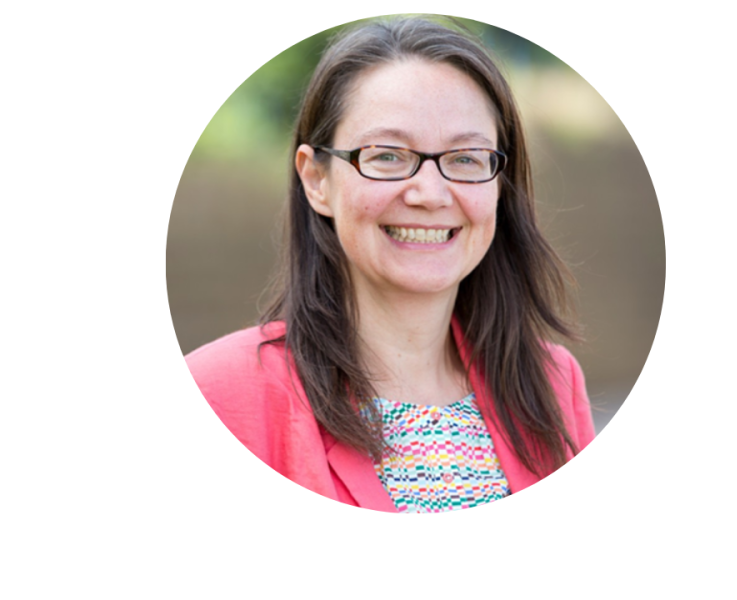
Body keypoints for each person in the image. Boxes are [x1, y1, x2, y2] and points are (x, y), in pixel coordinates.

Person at [186, 15, 595, 513]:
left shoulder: (551, 382)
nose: (429, 193)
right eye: (387, 156)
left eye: (466, 157)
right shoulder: (216, 393)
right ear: (316, 179)